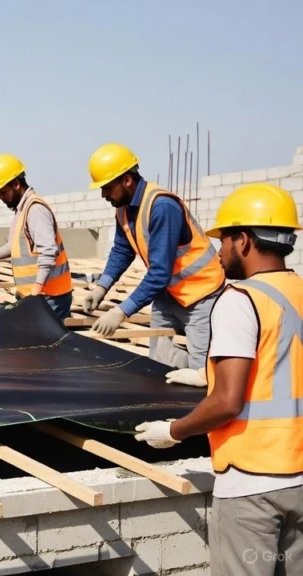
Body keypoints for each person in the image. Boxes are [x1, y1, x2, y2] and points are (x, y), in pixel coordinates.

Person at [133, 183, 303, 575]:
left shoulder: (239, 300)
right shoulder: (296, 292)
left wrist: (173, 431)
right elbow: (280, 366)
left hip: (252, 486)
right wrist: (207, 374)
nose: (218, 253)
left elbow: (228, 401)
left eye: (223, 241)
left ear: (243, 240)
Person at [82, 143, 225, 369]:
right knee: (161, 361)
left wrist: (120, 312)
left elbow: (159, 273)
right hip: (167, 295)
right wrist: (101, 287)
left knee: (203, 370)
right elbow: (122, 250)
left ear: (127, 180)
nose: (103, 194)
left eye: (107, 187)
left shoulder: (162, 206)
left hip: (200, 295)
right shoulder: (123, 208)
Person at [0, 153, 72, 319]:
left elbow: (49, 251)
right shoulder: (23, 209)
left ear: (16, 184)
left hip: (48, 298)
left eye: (2, 192)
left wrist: (36, 291)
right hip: (39, 297)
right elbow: (17, 246)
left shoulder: (35, 210)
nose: (0, 197)